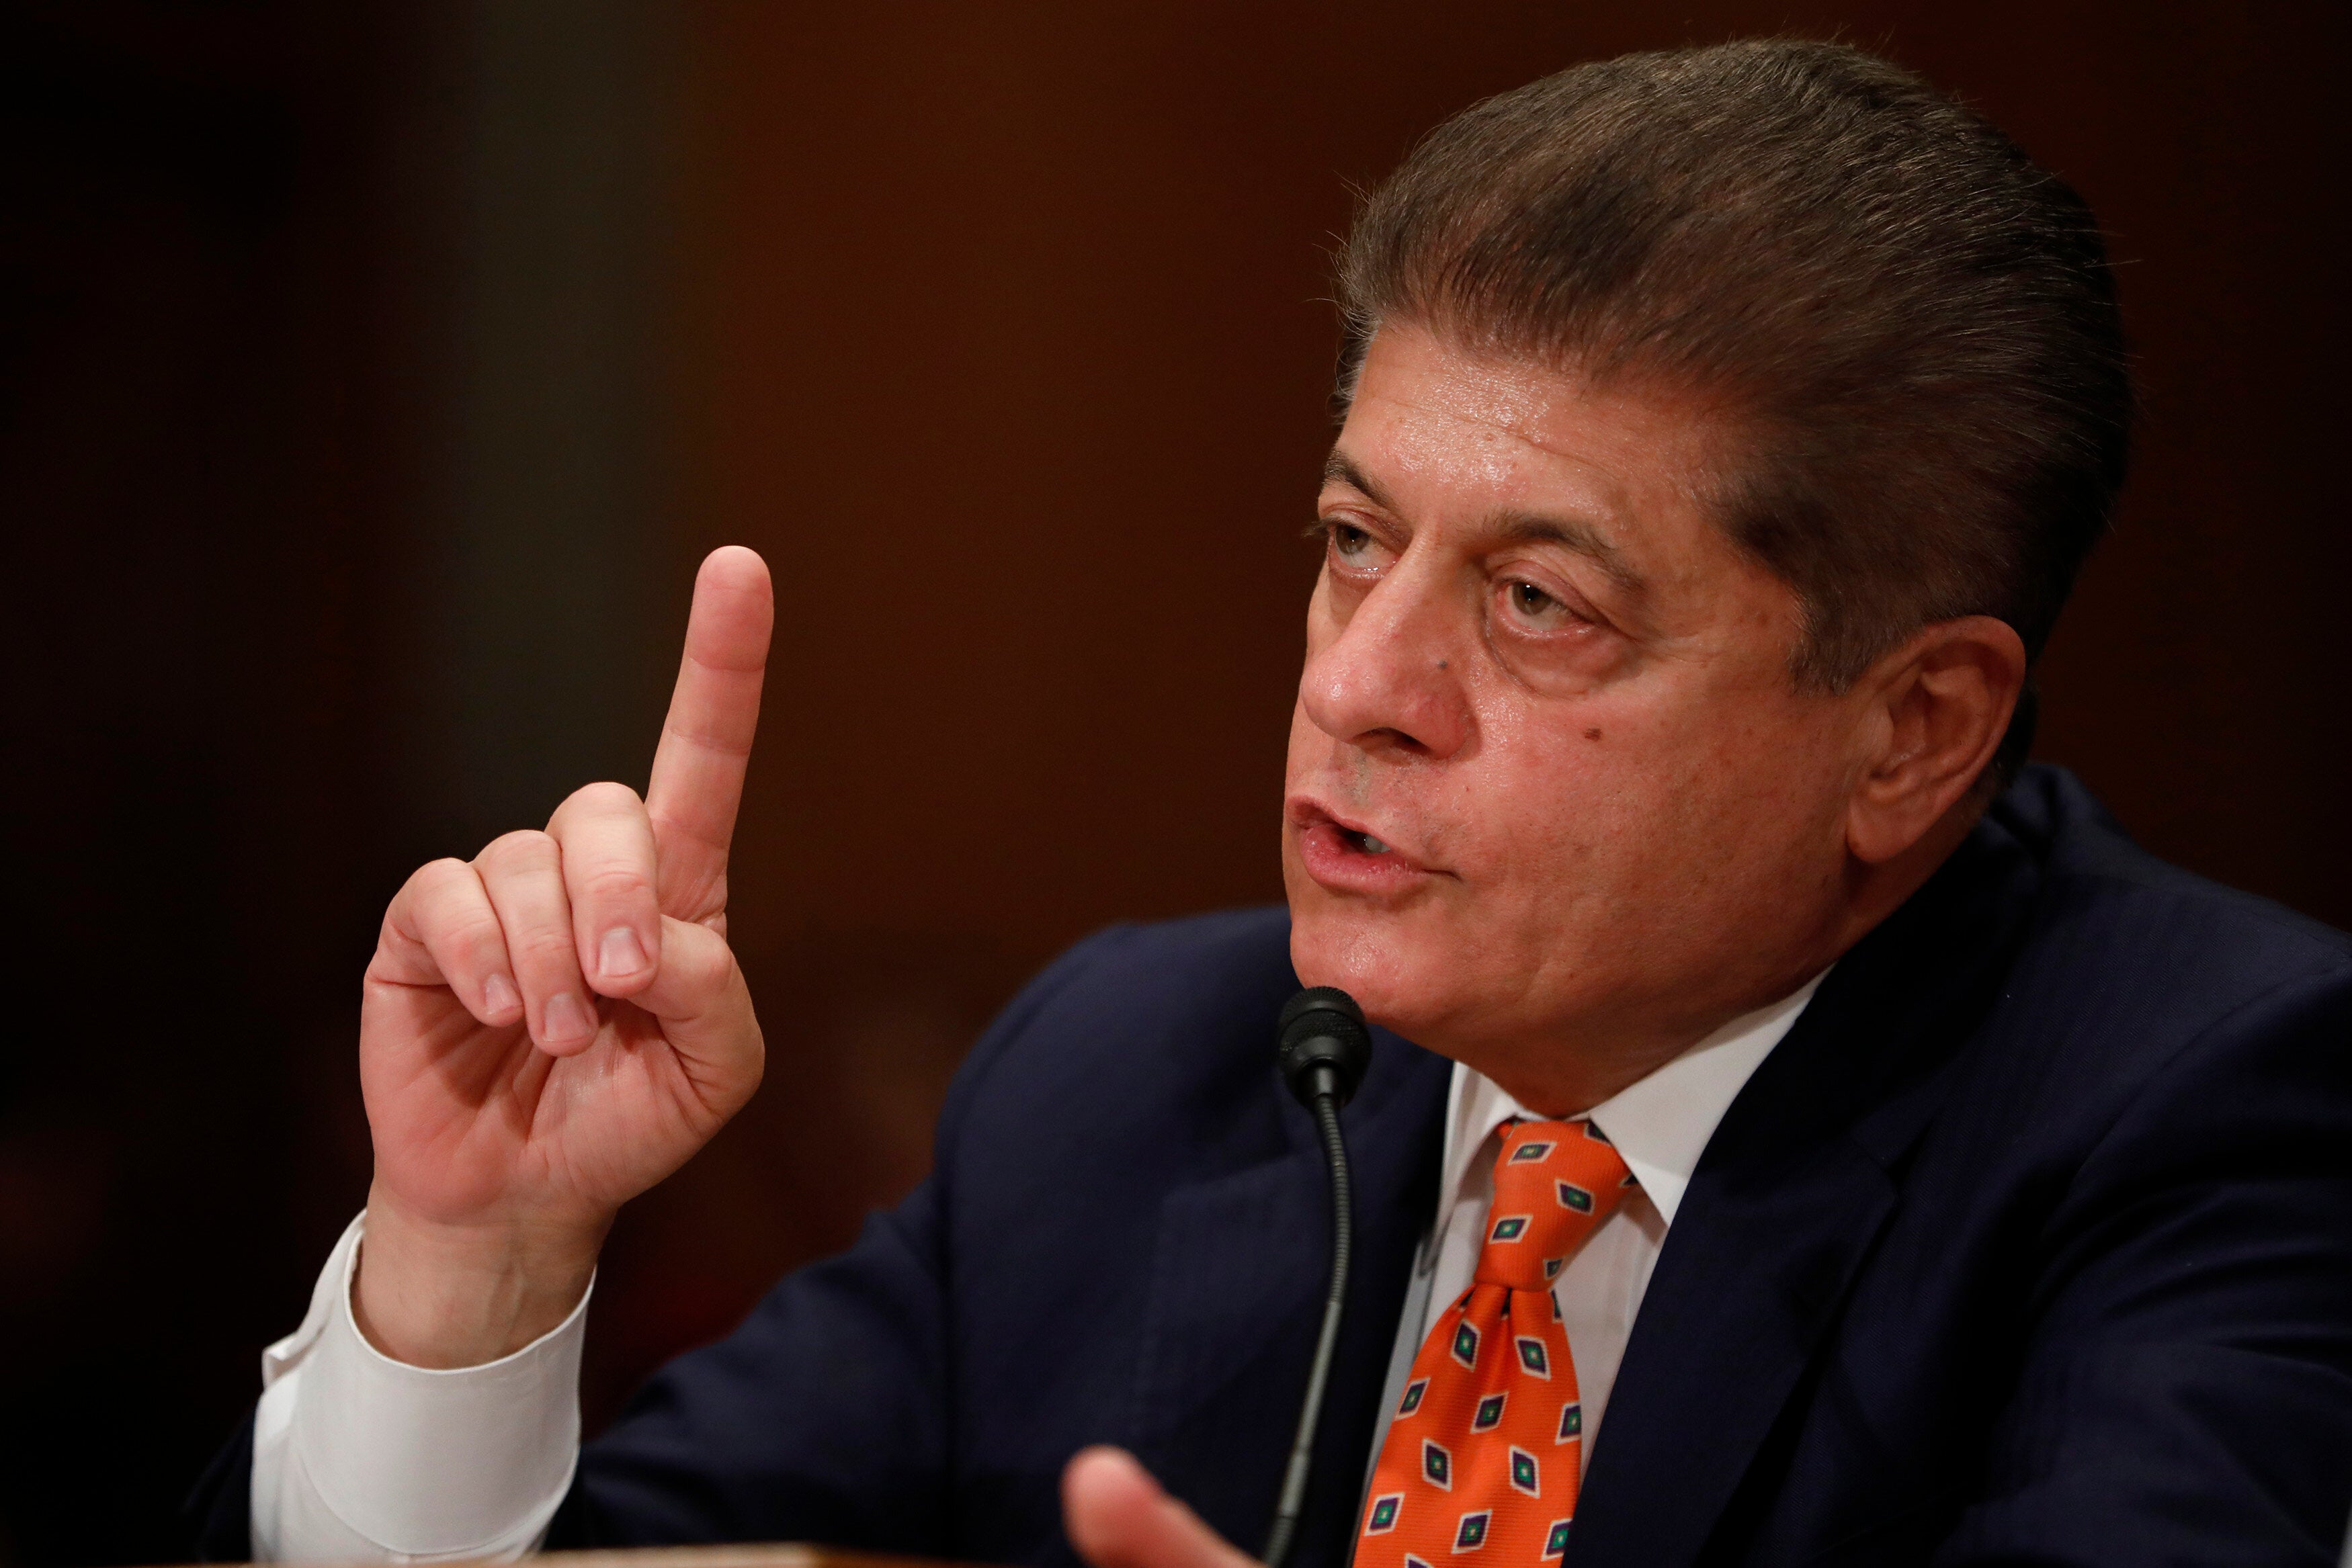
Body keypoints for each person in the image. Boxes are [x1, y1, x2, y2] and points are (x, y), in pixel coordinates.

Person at [190, 38, 2352, 1568]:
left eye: (1532, 600)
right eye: (1348, 538)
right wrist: (477, 1262)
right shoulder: (1129, 1074)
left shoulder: (2211, 1112)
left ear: (1909, 733)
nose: (1361, 685)